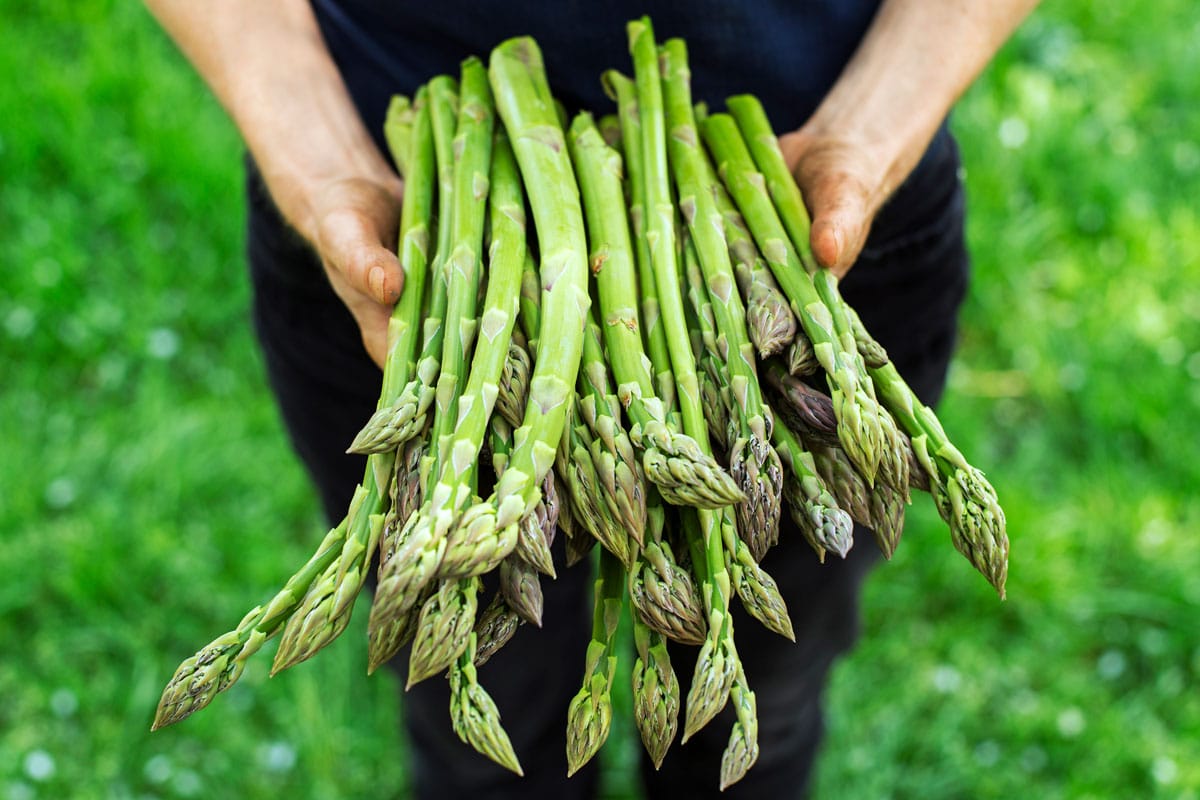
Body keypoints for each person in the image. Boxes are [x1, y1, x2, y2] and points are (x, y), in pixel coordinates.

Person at [144, 1, 1038, 797]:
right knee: (480, 737)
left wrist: (872, 132)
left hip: (799, 227)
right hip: (408, 239)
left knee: (758, 715)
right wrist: (315, 156)